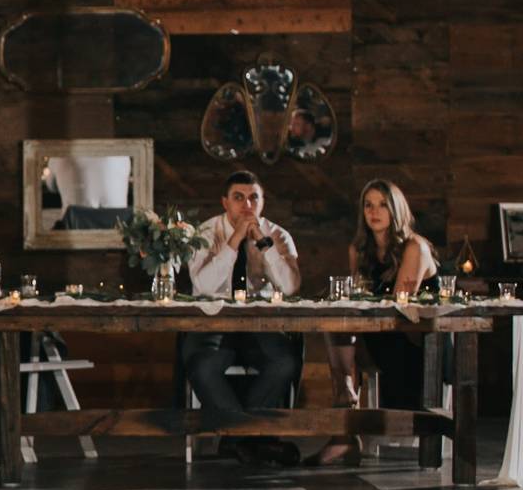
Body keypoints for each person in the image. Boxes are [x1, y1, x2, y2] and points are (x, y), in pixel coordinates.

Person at [314, 179, 438, 465]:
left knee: (344, 338)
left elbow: (398, 305)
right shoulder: (358, 250)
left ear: (397, 210)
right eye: (368, 205)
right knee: (337, 327)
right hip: (378, 338)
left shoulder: (414, 247)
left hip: (417, 343)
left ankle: (345, 431)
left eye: (383, 204)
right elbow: (359, 300)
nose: (374, 211)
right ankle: (345, 425)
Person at [182, 171, 304, 461]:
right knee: (201, 366)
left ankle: (237, 439)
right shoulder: (205, 233)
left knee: (286, 362)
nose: (246, 205)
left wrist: (263, 243)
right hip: (213, 321)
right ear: (225, 202)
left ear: (262, 202)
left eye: (254, 198)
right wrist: (234, 241)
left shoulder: (276, 234)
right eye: (239, 198)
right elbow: (204, 287)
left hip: (259, 324)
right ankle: (252, 440)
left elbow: (290, 287)